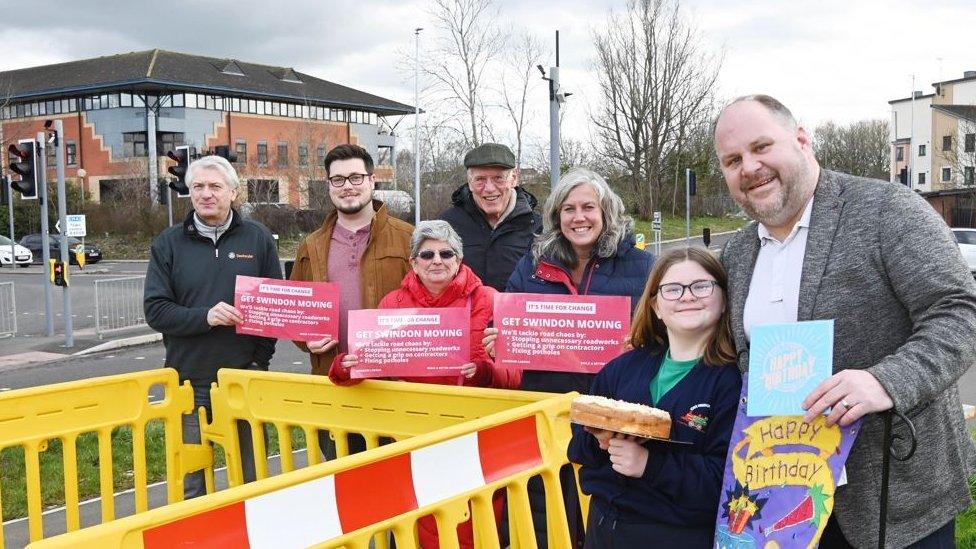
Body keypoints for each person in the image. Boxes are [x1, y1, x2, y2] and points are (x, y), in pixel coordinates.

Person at [715, 94, 976, 549]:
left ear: (801, 139)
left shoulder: (887, 209)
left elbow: (959, 311)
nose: (749, 167)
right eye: (733, 160)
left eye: (761, 147)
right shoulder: (737, 254)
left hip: (896, 501)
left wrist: (885, 382)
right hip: (786, 500)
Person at [485, 167, 654, 548]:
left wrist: (642, 341)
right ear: (556, 216)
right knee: (547, 517)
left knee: (607, 517)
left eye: (588, 207)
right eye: (569, 209)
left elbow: (668, 331)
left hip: (616, 415)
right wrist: (502, 342)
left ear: (606, 211)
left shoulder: (642, 266)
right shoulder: (532, 264)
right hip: (546, 414)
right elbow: (505, 322)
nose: (579, 217)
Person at [328, 220, 515, 549]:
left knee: (476, 529)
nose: (437, 261)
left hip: (475, 440)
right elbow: (373, 362)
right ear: (413, 262)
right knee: (420, 526)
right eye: (426, 254)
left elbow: (514, 376)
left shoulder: (490, 300)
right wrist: (344, 367)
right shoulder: (392, 304)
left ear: (459, 259)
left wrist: (486, 372)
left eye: (446, 253)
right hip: (414, 439)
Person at [568, 247, 741, 548]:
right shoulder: (622, 369)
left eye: (701, 286)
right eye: (672, 289)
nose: (687, 296)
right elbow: (577, 449)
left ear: (724, 300)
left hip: (678, 535)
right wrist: (599, 439)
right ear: (656, 306)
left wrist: (649, 464)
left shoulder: (731, 382)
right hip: (603, 528)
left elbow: (728, 481)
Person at [144, 155, 281, 499]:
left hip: (243, 382)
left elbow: (275, 307)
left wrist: (259, 362)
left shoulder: (258, 238)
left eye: (215, 186)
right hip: (189, 384)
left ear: (233, 192)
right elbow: (156, 311)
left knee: (254, 480)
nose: (206, 194)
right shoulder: (168, 243)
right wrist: (206, 316)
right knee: (193, 488)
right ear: (189, 193)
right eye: (198, 187)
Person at [289, 144, 412, 457]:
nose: (348, 187)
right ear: (329, 186)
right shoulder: (312, 244)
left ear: (372, 181)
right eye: (338, 180)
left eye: (356, 178)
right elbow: (297, 312)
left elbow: (432, 303)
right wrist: (306, 340)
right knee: (343, 487)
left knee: (396, 487)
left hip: (393, 388)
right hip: (333, 386)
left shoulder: (408, 238)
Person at [439, 142, 542, 291]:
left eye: (498, 178)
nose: (489, 188)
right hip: (464, 313)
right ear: (469, 182)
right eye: (480, 179)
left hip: (515, 313)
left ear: (514, 178)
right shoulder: (447, 226)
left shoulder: (538, 227)